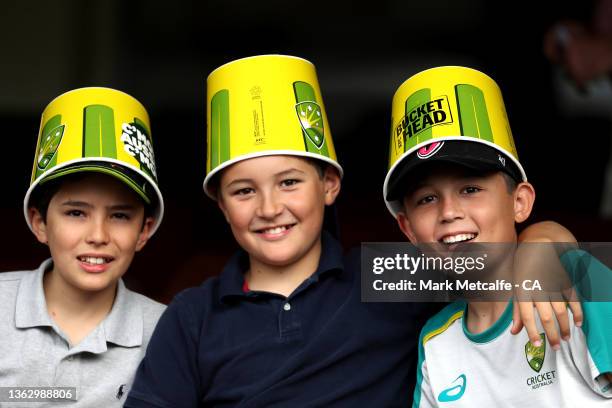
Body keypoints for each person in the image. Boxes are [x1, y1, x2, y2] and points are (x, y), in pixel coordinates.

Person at [126, 56, 585, 407]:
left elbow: (486, 256)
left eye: (289, 182)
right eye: (244, 191)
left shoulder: (388, 275)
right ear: (220, 204)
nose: (270, 208)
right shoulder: (192, 316)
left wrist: (543, 241)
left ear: (329, 185)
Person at [382, 66, 612, 406]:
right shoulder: (435, 341)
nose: (448, 212)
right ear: (408, 229)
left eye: (470, 188)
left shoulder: (576, 277)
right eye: (427, 199)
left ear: (519, 202)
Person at [0, 87, 166, 407]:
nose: (98, 235)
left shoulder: (166, 331)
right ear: (40, 223)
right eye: (76, 213)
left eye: (119, 215)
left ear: (143, 231)